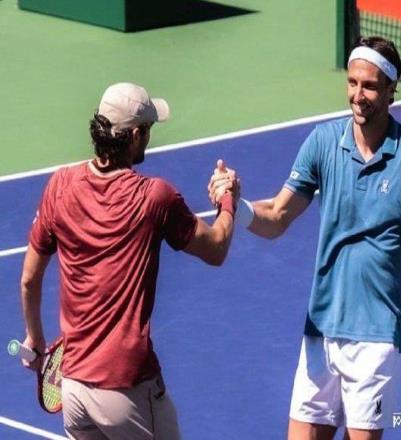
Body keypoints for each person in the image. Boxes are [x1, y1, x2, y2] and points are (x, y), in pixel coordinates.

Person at [209, 37, 401, 440]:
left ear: (392, 90)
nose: (358, 95)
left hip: (375, 339)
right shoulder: (323, 142)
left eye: (370, 86)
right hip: (320, 331)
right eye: (352, 83)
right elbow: (277, 215)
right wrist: (236, 206)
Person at [20, 82, 239, 440]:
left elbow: (29, 279)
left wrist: (35, 338)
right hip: (127, 391)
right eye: (148, 130)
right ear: (135, 136)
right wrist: (227, 200)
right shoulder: (154, 197)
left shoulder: (59, 185)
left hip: (73, 389)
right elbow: (216, 248)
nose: (150, 137)